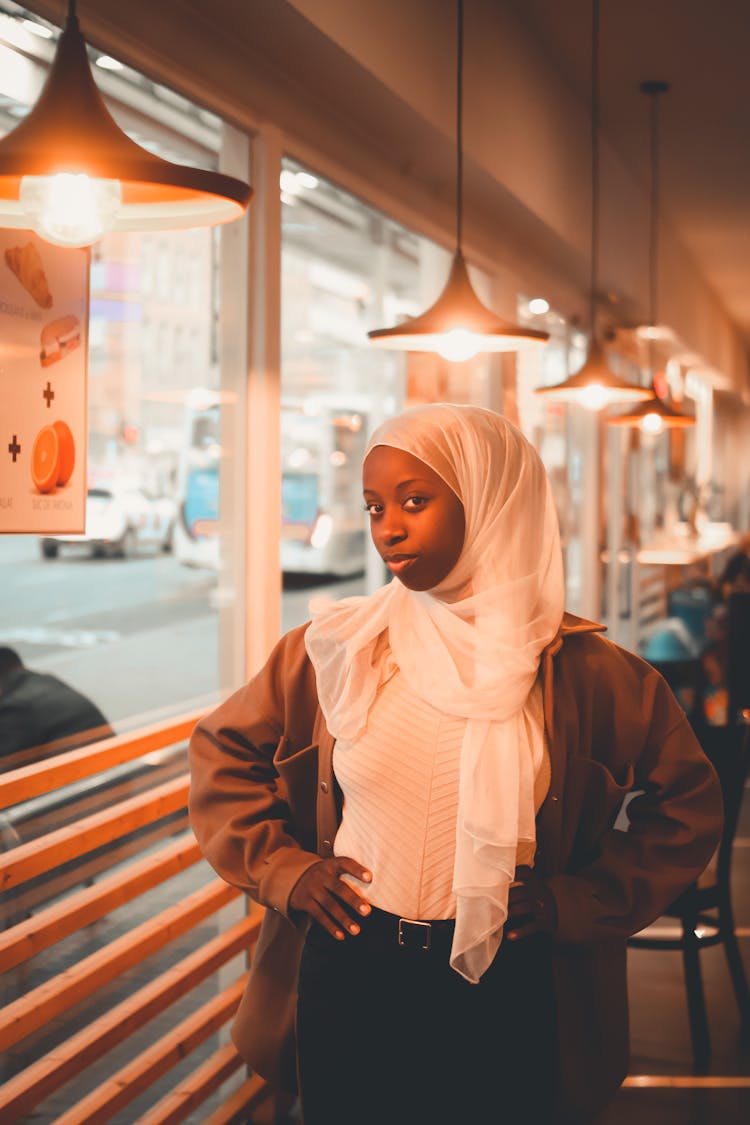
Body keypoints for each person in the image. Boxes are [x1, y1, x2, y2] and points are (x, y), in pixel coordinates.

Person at [189, 403, 723, 1124]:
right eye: (376, 506)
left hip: (511, 975)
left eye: (415, 501)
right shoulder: (341, 647)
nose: (388, 529)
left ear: (492, 500)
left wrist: (582, 899)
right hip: (353, 965)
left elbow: (688, 805)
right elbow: (223, 753)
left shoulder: (587, 671)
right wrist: (286, 870)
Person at [0, 647, 113, 767]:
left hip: (81, 781)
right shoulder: (49, 682)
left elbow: (6, 770)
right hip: (114, 772)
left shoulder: (16, 707)